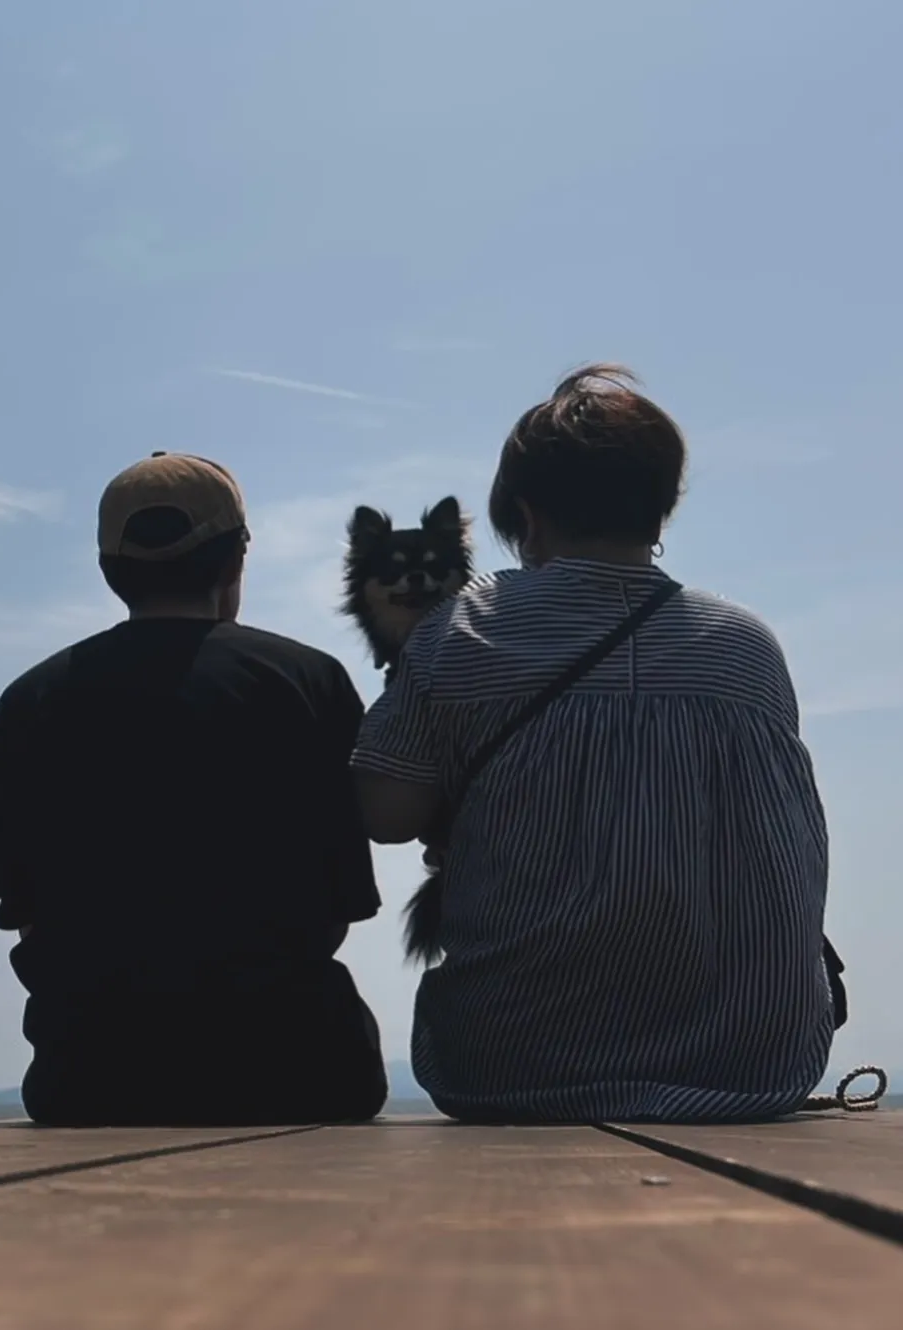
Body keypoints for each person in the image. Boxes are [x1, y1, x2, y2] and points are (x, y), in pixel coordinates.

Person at [352, 365, 834, 1123]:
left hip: (509, 1061)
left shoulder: (461, 631)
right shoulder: (747, 647)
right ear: (661, 507)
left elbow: (385, 812)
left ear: (525, 514)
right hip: (750, 1060)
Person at [0, 451, 387, 1125]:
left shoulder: (29, 700)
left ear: (110, 568)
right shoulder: (311, 681)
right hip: (305, 1070)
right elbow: (338, 908)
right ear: (237, 558)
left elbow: (33, 920)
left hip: (87, 1078)